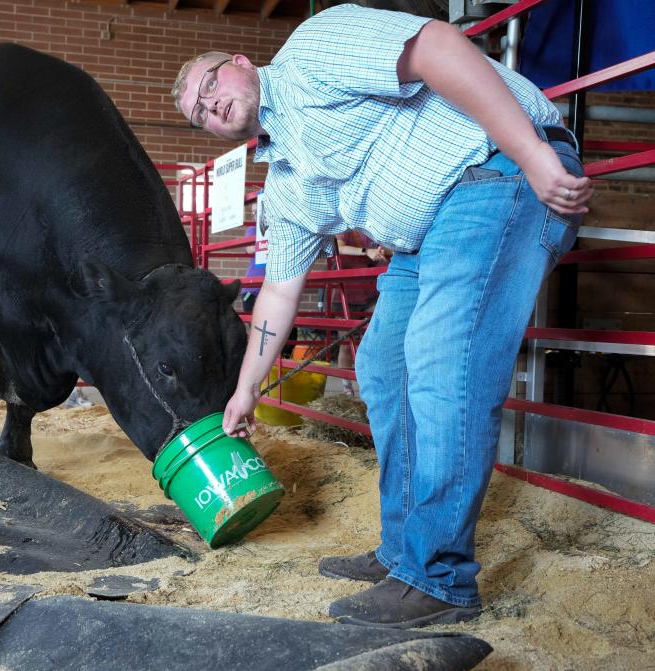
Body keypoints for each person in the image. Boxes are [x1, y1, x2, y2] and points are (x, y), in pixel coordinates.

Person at [173, 4, 591, 628]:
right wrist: (245, 390)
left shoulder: (309, 52)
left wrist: (530, 154)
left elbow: (437, 48)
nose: (211, 107)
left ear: (239, 64)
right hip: (431, 229)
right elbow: (282, 291)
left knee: (439, 360)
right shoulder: (285, 180)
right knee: (384, 366)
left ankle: (440, 579)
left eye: (211, 86)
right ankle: (405, 553)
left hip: (496, 173)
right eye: (198, 114)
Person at [334, 231, 390, 394]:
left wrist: (384, 250)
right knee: (345, 343)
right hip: (346, 293)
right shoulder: (346, 227)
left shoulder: (376, 226)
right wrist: (367, 251)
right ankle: (347, 390)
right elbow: (338, 247)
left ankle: (372, 388)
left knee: (375, 341)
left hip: (372, 293)